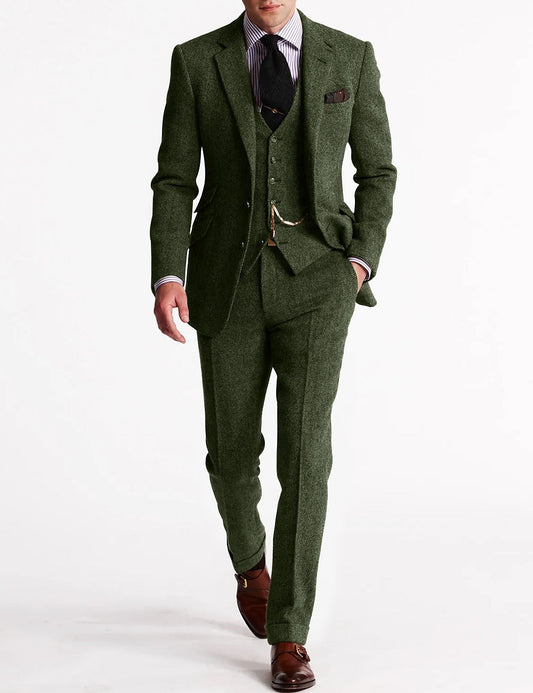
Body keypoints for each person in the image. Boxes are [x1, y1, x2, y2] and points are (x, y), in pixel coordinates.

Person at [149, 0, 396, 688]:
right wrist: (169, 273)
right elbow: (176, 179)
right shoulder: (196, 61)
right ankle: (249, 561)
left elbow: (377, 171)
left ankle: (290, 634)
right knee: (230, 454)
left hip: (319, 282)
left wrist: (358, 264)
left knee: (306, 456)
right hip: (224, 281)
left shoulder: (349, 56)